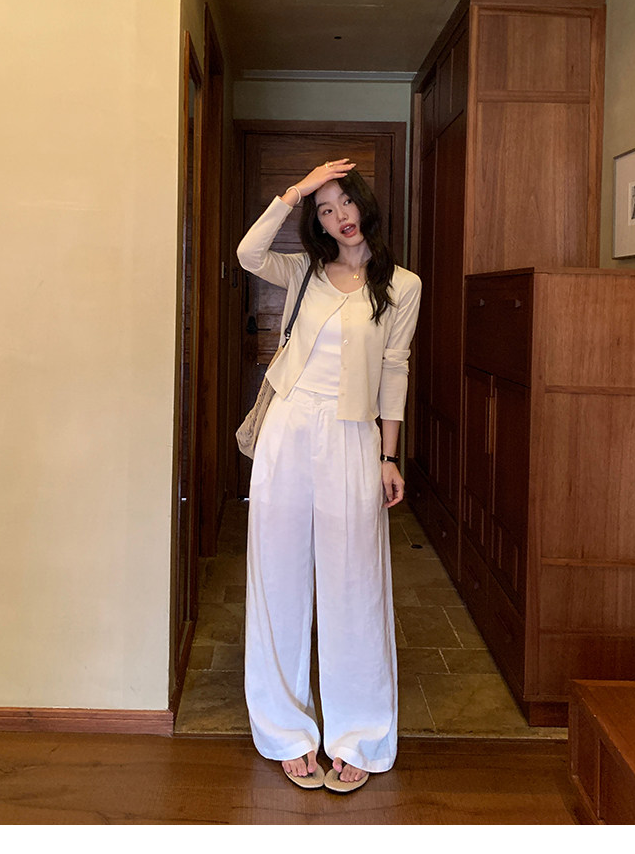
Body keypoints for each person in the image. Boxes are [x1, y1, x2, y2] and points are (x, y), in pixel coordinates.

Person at [236, 158, 422, 793]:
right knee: (278, 576)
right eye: (326, 209)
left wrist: (388, 456)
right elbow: (247, 253)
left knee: (355, 584)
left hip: (352, 435)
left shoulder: (402, 285)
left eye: (346, 202)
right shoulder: (303, 271)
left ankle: (359, 734)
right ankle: (285, 730)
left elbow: (394, 368)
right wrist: (297, 191)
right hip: (288, 427)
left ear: (366, 206)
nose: (340, 216)